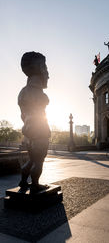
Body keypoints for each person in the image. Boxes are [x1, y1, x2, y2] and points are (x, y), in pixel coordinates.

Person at [18, 51, 51, 194]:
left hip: (28, 130)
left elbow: (23, 114)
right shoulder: (40, 95)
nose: (48, 73)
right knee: (39, 161)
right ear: (39, 68)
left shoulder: (23, 92)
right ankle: (35, 184)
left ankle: (23, 181)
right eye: (45, 67)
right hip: (40, 130)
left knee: (31, 159)